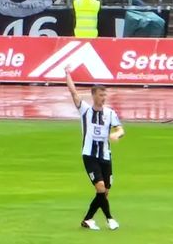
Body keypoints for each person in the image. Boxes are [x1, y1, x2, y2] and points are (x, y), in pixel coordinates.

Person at [66, 69, 124, 231]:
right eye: (100, 95)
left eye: (105, 95)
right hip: (89, 155)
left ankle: (88, 219)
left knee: (104, 192)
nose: (103, 98)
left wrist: (116, 134)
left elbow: (121, 129)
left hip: (105, 155)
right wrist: (67, 74)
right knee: (100, 187)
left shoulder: (110, 113)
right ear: (93, 96)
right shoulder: (85, 110)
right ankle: (110, 219)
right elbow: (73, 92)